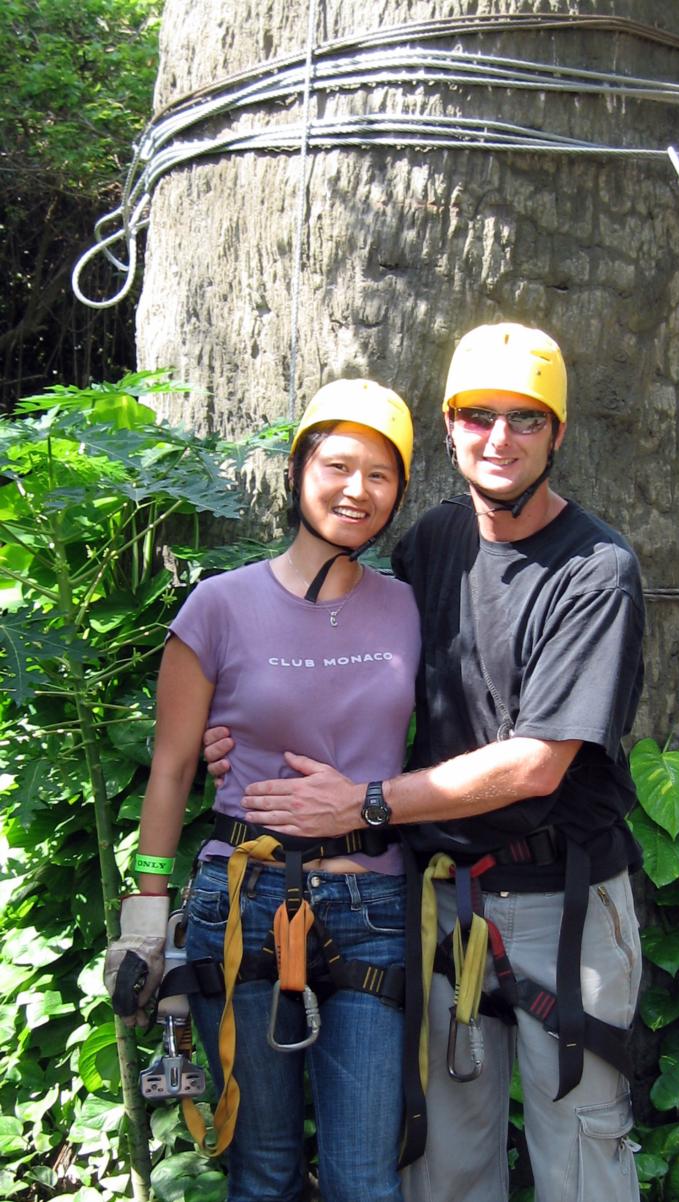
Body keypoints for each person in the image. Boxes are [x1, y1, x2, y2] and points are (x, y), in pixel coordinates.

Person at [204, 323, 645, 1202]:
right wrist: (239, 733)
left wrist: (362, 804)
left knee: (582, 1158)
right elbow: (366, 681)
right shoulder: (432, 545)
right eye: (478, 416)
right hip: (448, 900)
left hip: (567, 902)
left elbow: (534, 764)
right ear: (449, 428)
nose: (499, 439)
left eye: (525, 420)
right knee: (443, 1163)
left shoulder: (597, 571)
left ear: (558, 433)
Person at [104, 379, 421, 1202]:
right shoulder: (217, 607)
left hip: (372, 909)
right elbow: (174, 767)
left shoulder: (414, 611)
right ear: (296, 471)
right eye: (338, 465)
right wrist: (146, 922)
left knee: (365, 1180)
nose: (358, 490)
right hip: (240, 902)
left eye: (381, 474)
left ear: (401, 492)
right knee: (264, 1171)